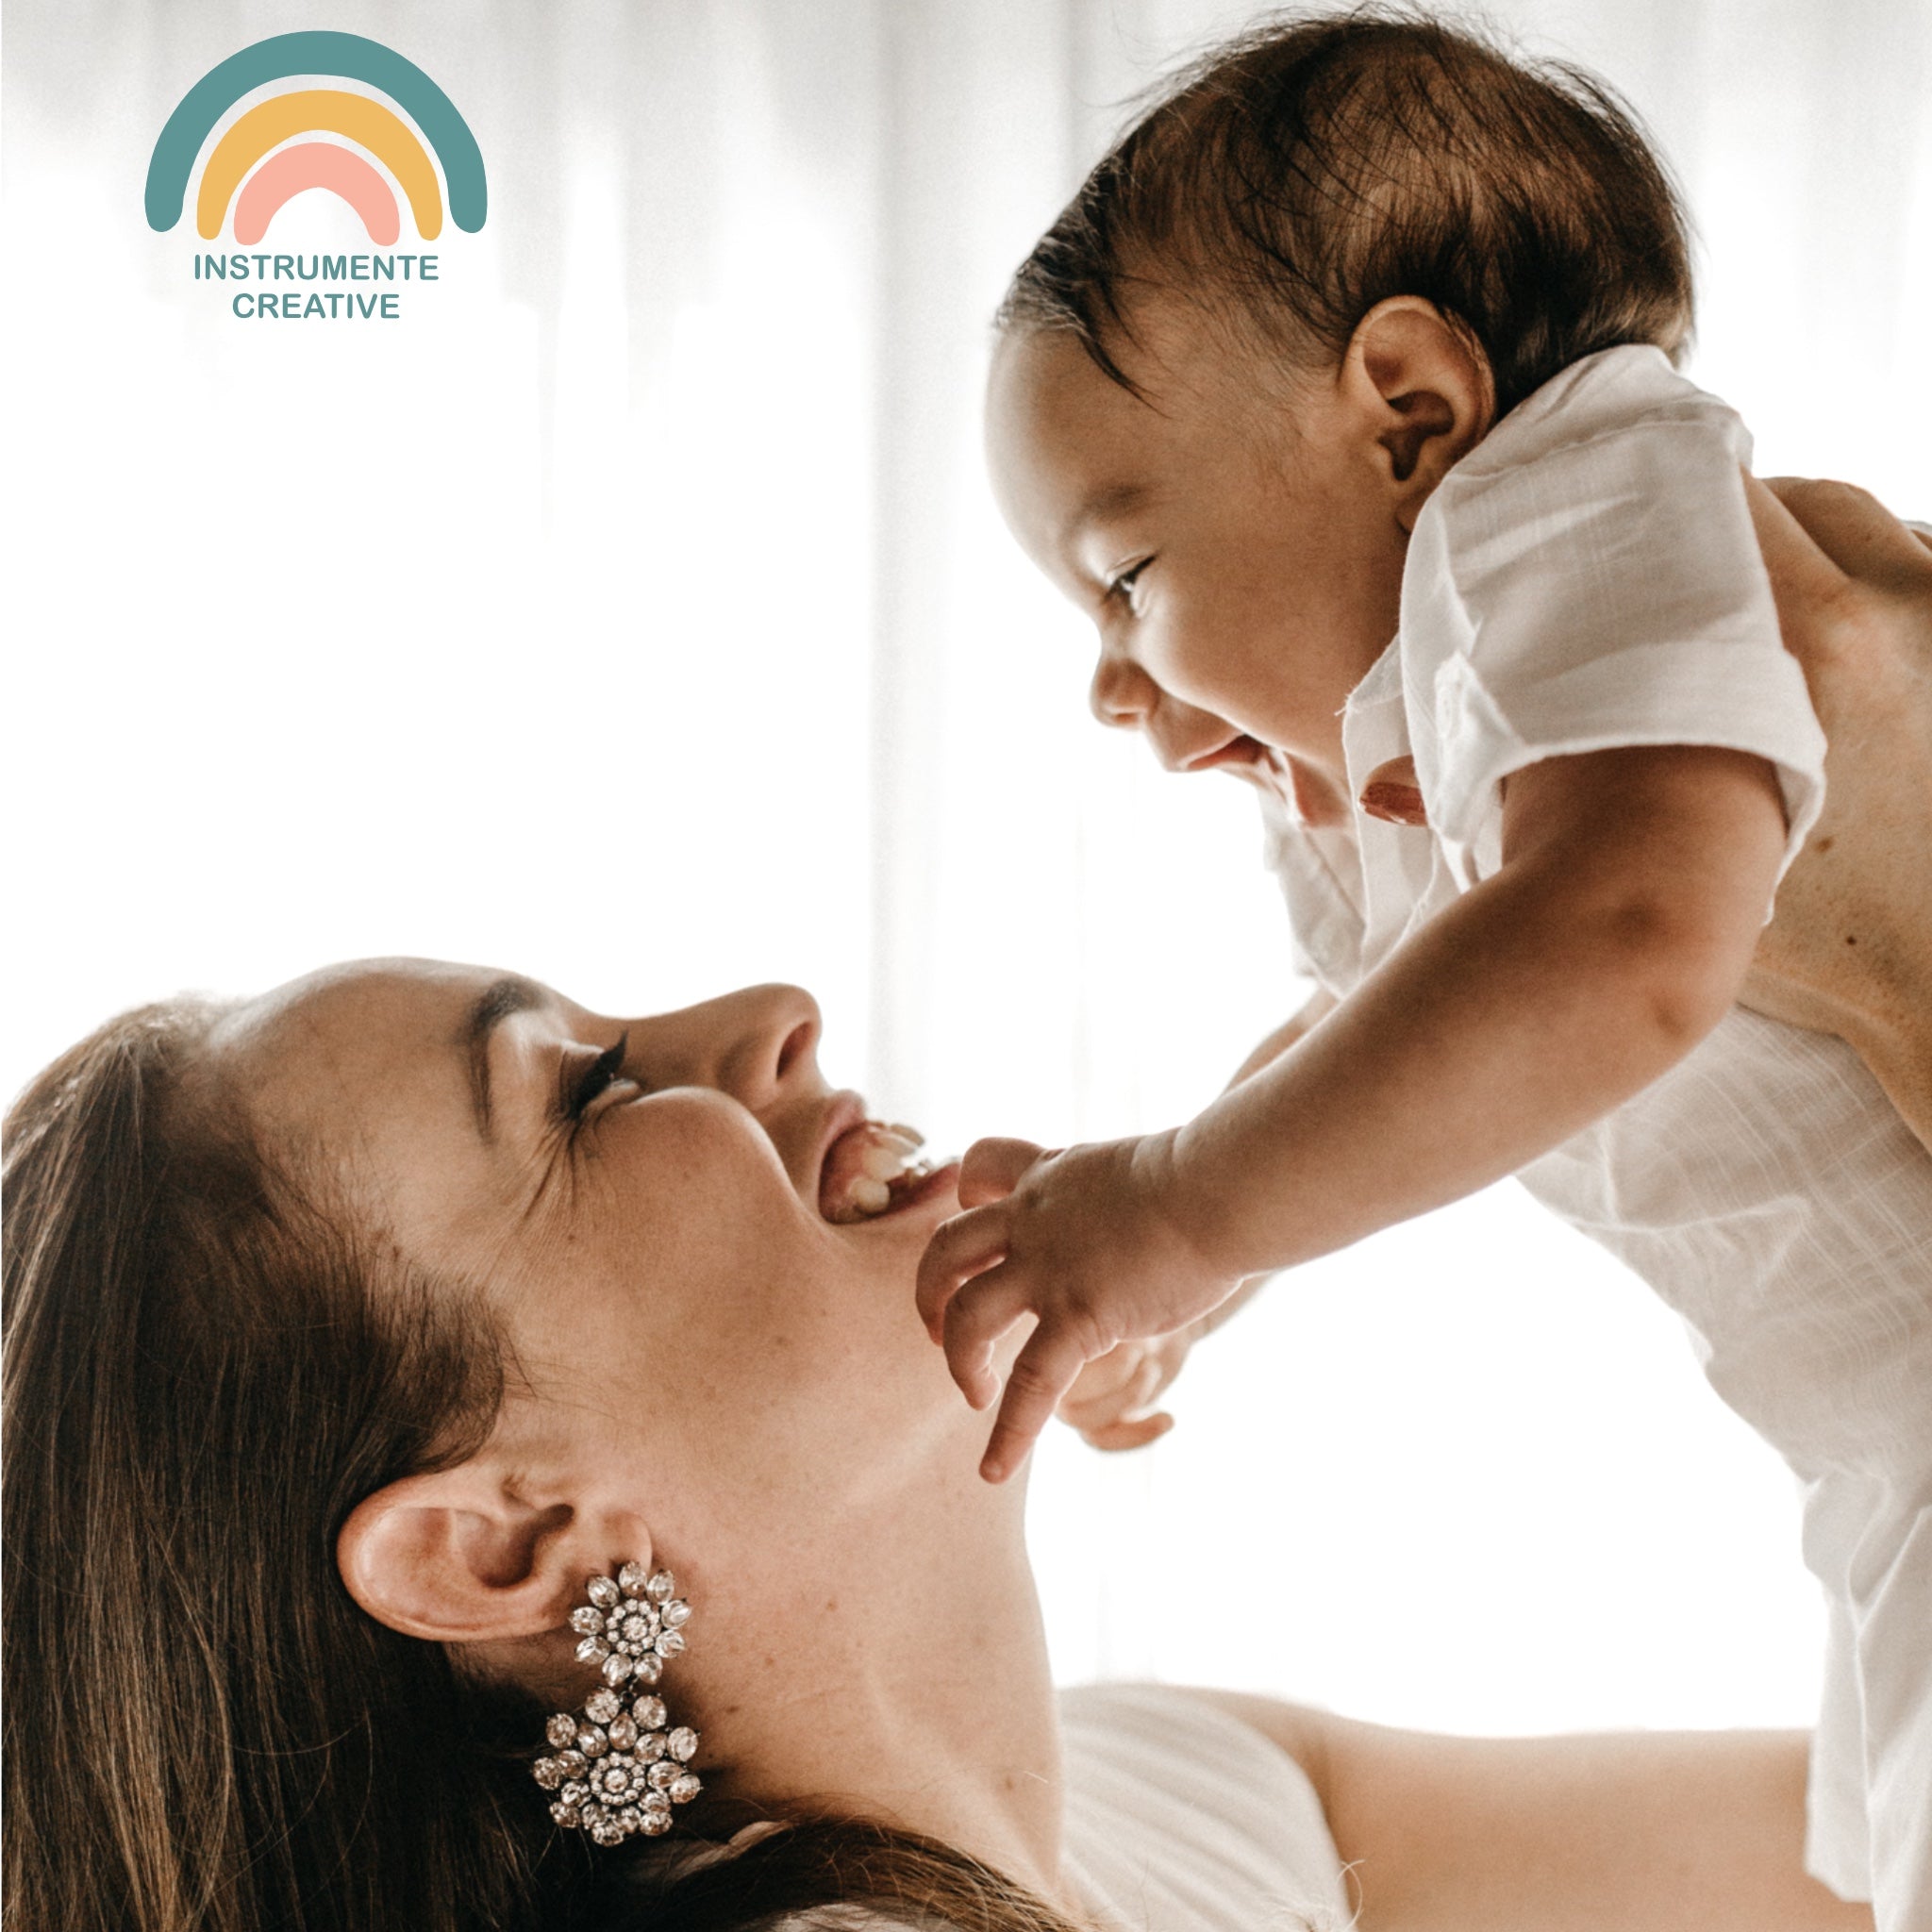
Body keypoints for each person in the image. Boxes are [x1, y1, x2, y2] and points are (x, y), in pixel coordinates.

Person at [912, 14, 1932, 1930]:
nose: (1109, 683)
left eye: (1126, 572)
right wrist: (1199, 1226)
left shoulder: (1572, 506)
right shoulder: (1454, 726)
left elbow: (1629, 940)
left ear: (1408, 409)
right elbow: (1409, 1004)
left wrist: (1177, 1213)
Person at [1, 956, 1879, 1932]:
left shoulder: (1176, 1790)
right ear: (510, 1544)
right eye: (581, 1089)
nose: (764, 1015)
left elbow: (1887, 1847)